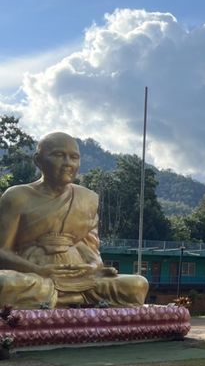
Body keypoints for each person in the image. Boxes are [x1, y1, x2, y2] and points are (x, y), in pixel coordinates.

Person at [0, 132, 148, 308]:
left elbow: (91, 251)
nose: (68, 163)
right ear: (38, 160)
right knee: (4, 283)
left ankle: (57, 301)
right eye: (58, 155)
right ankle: (71, 301)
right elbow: (3, 252)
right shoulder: (17, 196)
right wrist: (39, 270)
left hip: (82, 279)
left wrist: (94, 268)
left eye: (74, 157)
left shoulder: (87, 198)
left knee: (138, 284)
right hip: (36, 276)